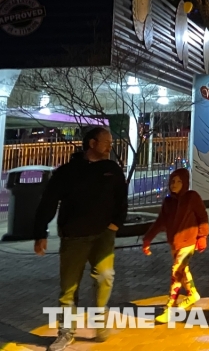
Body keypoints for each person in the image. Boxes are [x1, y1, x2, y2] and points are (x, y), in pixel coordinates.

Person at [33, 127, 128, 351]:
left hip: (103, 235)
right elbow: (48, 202)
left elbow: (121, 199)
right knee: (69, 288)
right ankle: (66, 332)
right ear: (92, 143)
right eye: (106, 142)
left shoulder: (112, 169)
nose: (110, 146)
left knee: (105, 276)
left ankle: (100, 320)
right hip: (74, 237)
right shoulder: (67, 172)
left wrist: (115, 224)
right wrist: (40, 233)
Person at [142, 168, 209, 322]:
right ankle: (192, 294)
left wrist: (202, 236)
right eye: (173, 181)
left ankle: (170, 308)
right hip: (175, 242)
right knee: (183, 271)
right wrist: (148, 239)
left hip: (189, 241)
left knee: (176, 271)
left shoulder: (192, 197)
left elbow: (202, 216)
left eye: (179, 181)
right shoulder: (168, 202)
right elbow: (160, 221)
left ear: (185, 183)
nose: (175, 184)